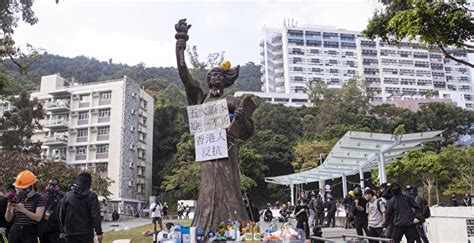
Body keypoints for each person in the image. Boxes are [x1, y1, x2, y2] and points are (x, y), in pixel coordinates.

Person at [59, 172, 103, 243]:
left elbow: (61, 214)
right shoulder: (92, 196)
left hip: (70, 233)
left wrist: (64, 228)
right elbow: (95, 215)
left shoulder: (68, 195)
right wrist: (99, 232)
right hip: (86, 233)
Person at [5, 170, 46, 243]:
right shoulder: (17, 198)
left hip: (30, 232)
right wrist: (8, 209)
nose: (20, 191)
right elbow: (8, 219)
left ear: (32, 186)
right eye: (19, 188)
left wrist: (23, 210)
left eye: (23, 188)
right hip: (15, 231)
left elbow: (38, 218)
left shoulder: (39, 198)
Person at [40, 178, 65, 243]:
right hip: (44, 228)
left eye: (54, 184)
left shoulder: (62, 196)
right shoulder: (42, 196)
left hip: (56, 228)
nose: (52, 186)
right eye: (50, 184)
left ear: (57, 185)